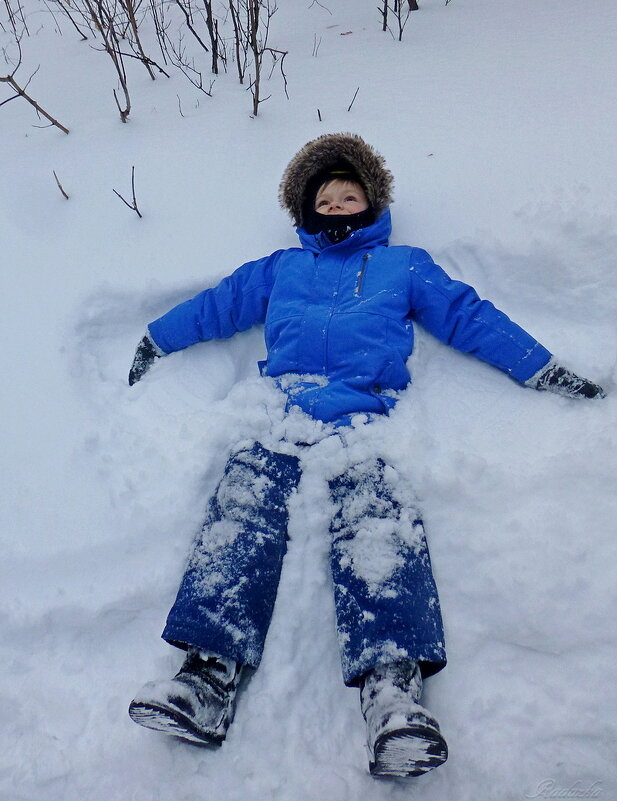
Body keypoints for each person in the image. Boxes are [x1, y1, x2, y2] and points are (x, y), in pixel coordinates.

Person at [126, 133, 605, 777]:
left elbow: (470, 317)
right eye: (324, 197)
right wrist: (158, 337)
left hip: (365, 418)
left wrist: (540, 368)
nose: (337, 204)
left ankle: (394, 698)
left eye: (350, 193)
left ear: (372, 203)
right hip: (282, 413)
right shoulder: (281, 269)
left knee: (379, 532)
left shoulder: (404, 266)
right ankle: (205, 678)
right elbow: (219, 305)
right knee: (240, 517)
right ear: (306, 210)